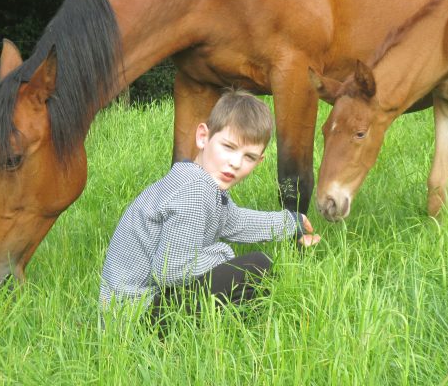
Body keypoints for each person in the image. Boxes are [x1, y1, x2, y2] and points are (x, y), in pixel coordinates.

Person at [99, 89, 320, 325]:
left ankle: (226, 329)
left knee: (246, 275)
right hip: (134, 316)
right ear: (203, 137)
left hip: (130, 311)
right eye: (228, 147)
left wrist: (291, 223)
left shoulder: (196, 180)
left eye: (249, 157)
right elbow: (170, 270)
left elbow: (236, 221)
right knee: (257, 266)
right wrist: (223, 253)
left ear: (259, 161)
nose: (235, 163)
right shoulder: (195, 190)